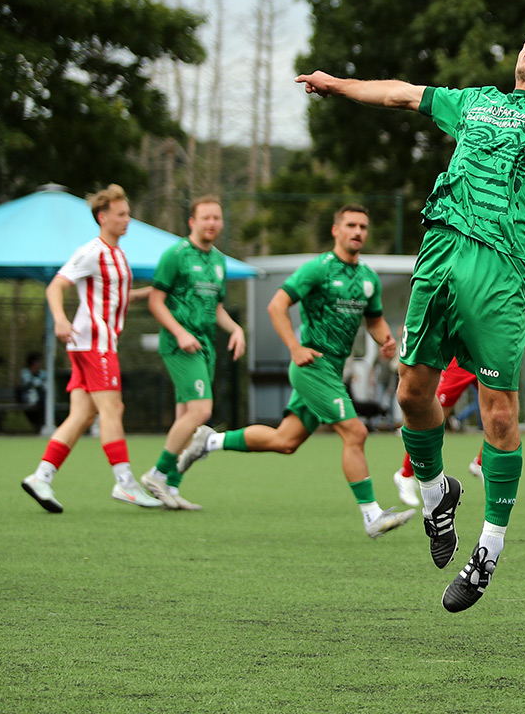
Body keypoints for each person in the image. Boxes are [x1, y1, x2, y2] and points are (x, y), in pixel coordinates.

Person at [296, 20, 525, 611]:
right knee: (412, 395)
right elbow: (401, 92)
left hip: (497, 269)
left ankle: (488, 551)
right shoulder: (476, 102)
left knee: (498, 413)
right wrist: (337, 85)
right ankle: (438, 492)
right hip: (439, 253)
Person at [177, 205, 415, 538]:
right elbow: (276, 305)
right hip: (312, 365)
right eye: (350, 225)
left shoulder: (368, 278)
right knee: (355, 432)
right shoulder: (317, 269)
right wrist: (295, 347)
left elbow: (374, 319)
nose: (358, 231)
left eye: (363, 225)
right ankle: (371, 516)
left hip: (332, 368)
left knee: (285, 440)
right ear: (336, 230)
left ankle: (210, 440)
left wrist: (386, 340)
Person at [20, 185, 161, 512]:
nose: (128, 220)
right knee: (113, 409)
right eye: (121, 214)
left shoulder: (119, 255)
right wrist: (59, 318)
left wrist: (154, 291)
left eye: (128, 213)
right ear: (103, 217)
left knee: (82, 415)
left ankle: (41, 477)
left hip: (95, 344)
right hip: (94, 345)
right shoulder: (92, 251)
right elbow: (56, 285)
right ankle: (125, 483)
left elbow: (118, 297)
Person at [139, 196, 246, 510]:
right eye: (206, 217)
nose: (212, 223)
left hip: (205, 346)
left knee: (186, 419)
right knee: (201, 411)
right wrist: (180, 332)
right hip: (180, 344)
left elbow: (218, 309)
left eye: (217, 218)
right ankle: (157, 473)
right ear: (192, 222)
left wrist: (236, 329)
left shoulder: (220, 261)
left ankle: (171, 487)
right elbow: (156, 301)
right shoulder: (176, 255)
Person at [393, 357, 485, 510]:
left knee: (502, 414)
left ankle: (481, 463)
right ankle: (405, 474)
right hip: (461, 357)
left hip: (486, 354)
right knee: (434, 419)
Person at [18, 352, 48, 432]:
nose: (38, 365)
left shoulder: (42, 373)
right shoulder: (25, 373)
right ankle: (40, 426)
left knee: (45, 401)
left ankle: (42, 426)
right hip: (28, 399)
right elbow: (29, 383)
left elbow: (46, 385)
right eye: (37, 362)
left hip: (41, 401)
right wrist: (39, 383)